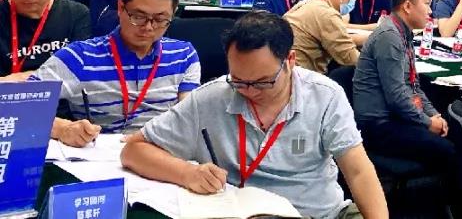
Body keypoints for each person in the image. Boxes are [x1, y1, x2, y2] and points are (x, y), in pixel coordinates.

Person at [120, 11, 389, 219]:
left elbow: (358, 172)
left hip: (320, 213)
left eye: (262, 82)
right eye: (239, 80)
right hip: (241, 212)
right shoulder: (213, 97)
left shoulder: (325, 96)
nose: (249, 91)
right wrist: (187, 173)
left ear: (290, 61)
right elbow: (134, 151)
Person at [31, 0, 199, 145]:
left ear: (173, 14)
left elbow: (188, 120)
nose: (148, 27)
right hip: (96, 154)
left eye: (160, 19)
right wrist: (62, 128)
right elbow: (21, 107)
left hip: (159, 152)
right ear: (120, 7)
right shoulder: (80, 57)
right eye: (138, 16)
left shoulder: (183, 56)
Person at [353, 0, 454, 177]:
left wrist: (434, 115)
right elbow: (396, 96)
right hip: (378, 125)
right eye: (427, 4)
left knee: (451, 132)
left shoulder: (403, 33)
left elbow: (413, 85)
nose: (431, 11)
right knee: (446, 149)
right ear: (407, 6)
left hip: (394, 116)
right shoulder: (389, 36)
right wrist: (426, 122)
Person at [285, 0, 362, 73]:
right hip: (301, 75)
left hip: (288, 69)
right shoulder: (327, 13)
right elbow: (350, 57)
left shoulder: (309, 2)